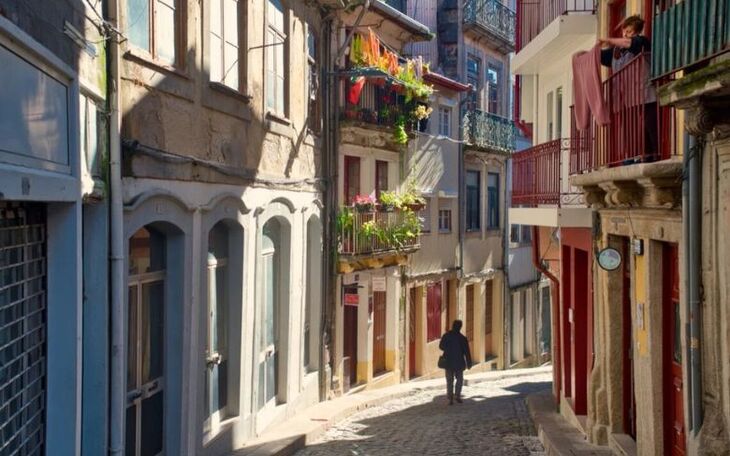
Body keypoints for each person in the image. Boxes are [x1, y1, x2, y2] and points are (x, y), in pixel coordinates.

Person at [598, 15, 658, 157]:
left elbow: (631, 44)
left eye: (629, 31)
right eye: (624, 31)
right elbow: (599, 56)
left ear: (637, 32)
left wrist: (608, 40)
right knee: (631, 130)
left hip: (645, 94)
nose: (625, 34)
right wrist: (584, 55)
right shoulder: (615, 51)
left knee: (649, 127)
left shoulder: (642, 42)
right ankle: (634, 156)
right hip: (625, 98)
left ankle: (654, 154)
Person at [439, 320, 472, 405]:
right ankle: (457, 396)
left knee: (449, 380)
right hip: (459, 362)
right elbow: (467, 352)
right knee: (459, 380)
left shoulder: (446, 336)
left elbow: (441, 346)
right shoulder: (462, 338)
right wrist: (469, 363)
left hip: (449, 362)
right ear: (460, 327)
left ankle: (450, 398)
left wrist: (448, 348)